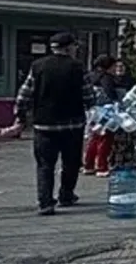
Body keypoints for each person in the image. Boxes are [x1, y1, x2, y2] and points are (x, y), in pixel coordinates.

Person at [14, 32, 97, 215]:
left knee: (45, 164)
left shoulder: (38, 66)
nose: (76, 49)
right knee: (71, 162)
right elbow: (88, 96)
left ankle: (45, 202)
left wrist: (20, 115)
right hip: (72, 124)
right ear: (69, 48)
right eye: (75, 46)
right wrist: (92, 111)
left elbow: (24, 94)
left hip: (44, 124)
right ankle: (66, 195)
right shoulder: (77, 67)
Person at [83, 54, 119, 177]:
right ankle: (102, 166)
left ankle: (88, 165)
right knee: (105, 139)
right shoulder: (106, 78)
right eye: (114, 66)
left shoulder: (90, 76)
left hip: (92, 110)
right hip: (105, 111)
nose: (115, 69)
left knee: (93, 138)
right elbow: (111, 95)